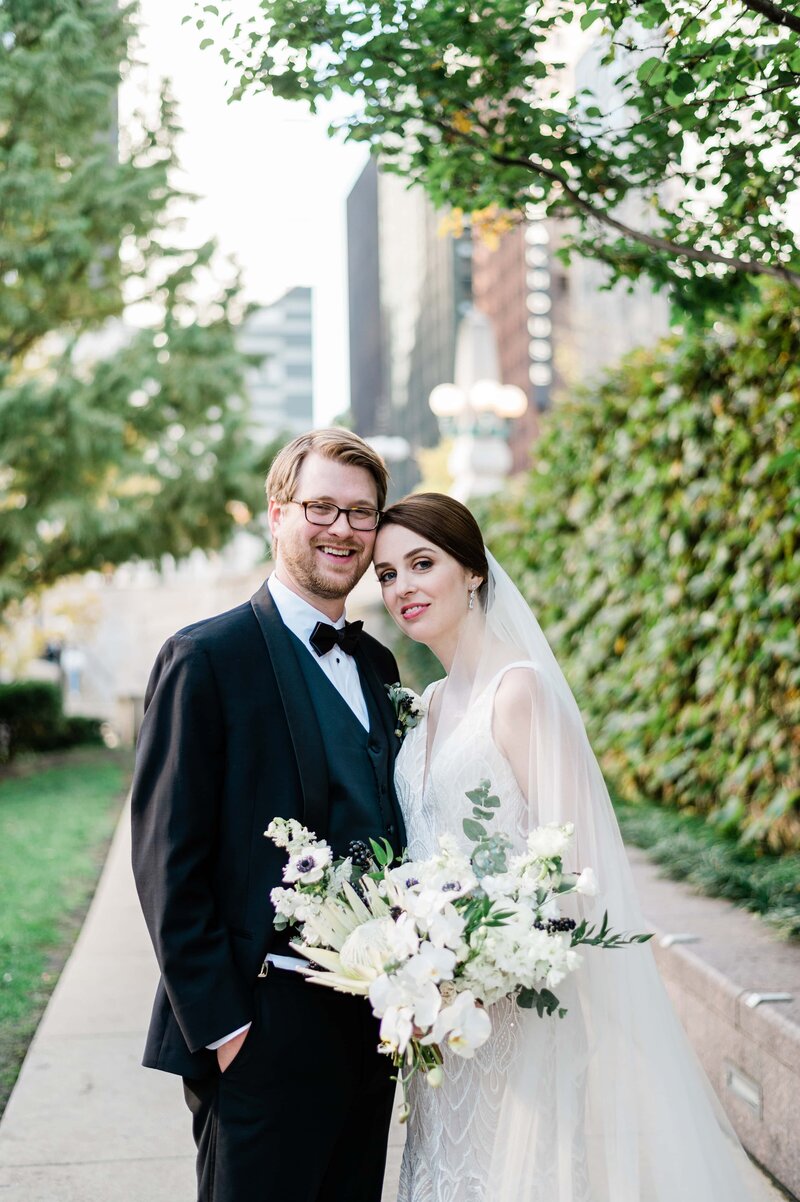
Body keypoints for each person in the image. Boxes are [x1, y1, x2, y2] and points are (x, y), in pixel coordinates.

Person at [373, 492, 765, 1202]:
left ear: (473, 573)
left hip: (518, 1013)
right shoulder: (425, 703)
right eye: (388, 574)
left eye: (421, 563)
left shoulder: (517, 691)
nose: (402, 587)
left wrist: (488, 964)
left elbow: (575, 869)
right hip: (440, 1023)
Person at [131, 428, 406, 1202]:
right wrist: (225, 1033)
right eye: (322, 506)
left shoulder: (378, 664)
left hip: (373, 1021)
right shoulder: (205, 658)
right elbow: (165, 862)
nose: (343, 529)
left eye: (362, 513)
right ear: (278, 515)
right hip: (260, 1023)